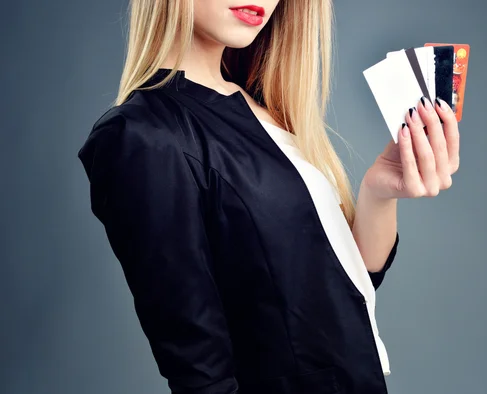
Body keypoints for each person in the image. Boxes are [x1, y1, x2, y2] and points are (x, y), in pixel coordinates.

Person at [77, 1, 460, 393]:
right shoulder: (142, 135)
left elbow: (332, 293)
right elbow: (200, 374)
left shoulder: (263, 107)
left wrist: (378, 193)